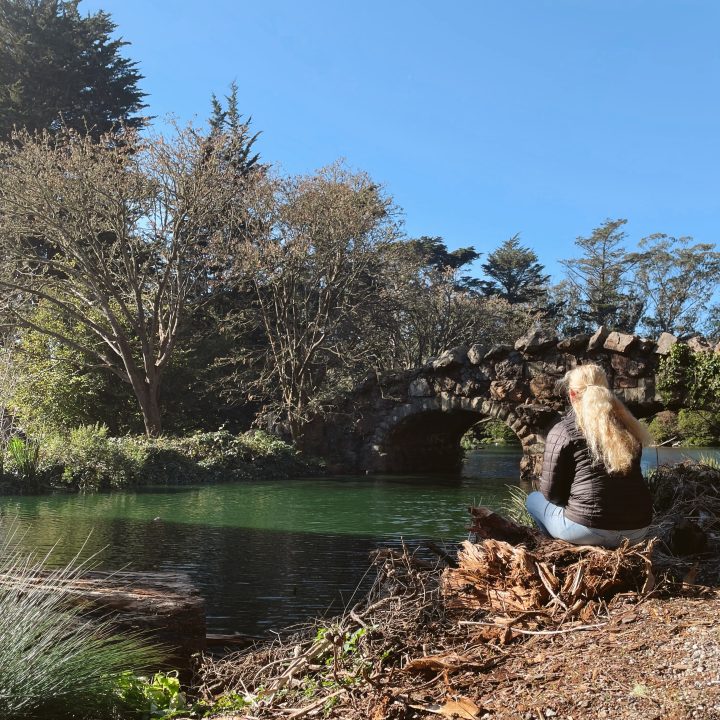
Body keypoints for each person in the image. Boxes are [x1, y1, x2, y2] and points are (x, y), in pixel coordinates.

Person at [525, 363, 653, 548]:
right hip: (637, 531)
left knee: (533, 499)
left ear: (572, 394)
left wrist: (573, 504)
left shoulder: (564, 430)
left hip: (586, 531)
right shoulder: (630, 428)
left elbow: (550, 495)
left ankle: (555, 547)